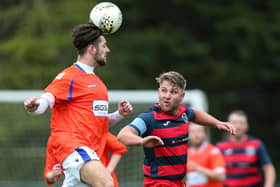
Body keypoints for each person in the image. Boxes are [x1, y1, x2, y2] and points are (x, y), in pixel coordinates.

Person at [24, 23, 133, 187]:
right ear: (92, 49)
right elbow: (47, 100)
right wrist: (35, 105)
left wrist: (118, 114)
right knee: (106, 183)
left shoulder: (99, 84)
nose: (107, 50)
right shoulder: (69, 76)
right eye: (104, 46)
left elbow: (99, 123)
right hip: (72, 145)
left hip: (90, 151)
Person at [117, 71, 236, 187]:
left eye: (173, 92)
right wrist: (142, 141)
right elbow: (123, 135)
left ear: (182, 96)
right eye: (164, 91)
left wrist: (216, 123)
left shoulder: (183, 113)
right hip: (158, 183)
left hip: (178, 182)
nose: (167, 96)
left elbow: (195, 114)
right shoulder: (149, 118)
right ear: (159, 92)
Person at [44, 132, 127, 187]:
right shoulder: (55, 139)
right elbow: (49, 177)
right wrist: (53, 174)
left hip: (103, 183)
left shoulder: (94, 131)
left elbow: (119, 148)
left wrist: (107, 172)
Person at [217, 110, 276, 187]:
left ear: (247, 126)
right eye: (234, 122)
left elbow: (268, 168)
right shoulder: (220, 146)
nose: (238, 126)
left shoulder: (256, 144)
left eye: (241, 123)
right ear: (227, 125)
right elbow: (216, 172)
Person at [186, 122, 226, 187]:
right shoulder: (186, 154)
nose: (196, 135)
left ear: (205, 134)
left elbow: (221, 176)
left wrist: (198, 168)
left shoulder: (213, 151)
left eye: (199, 131)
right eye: (192, 132)